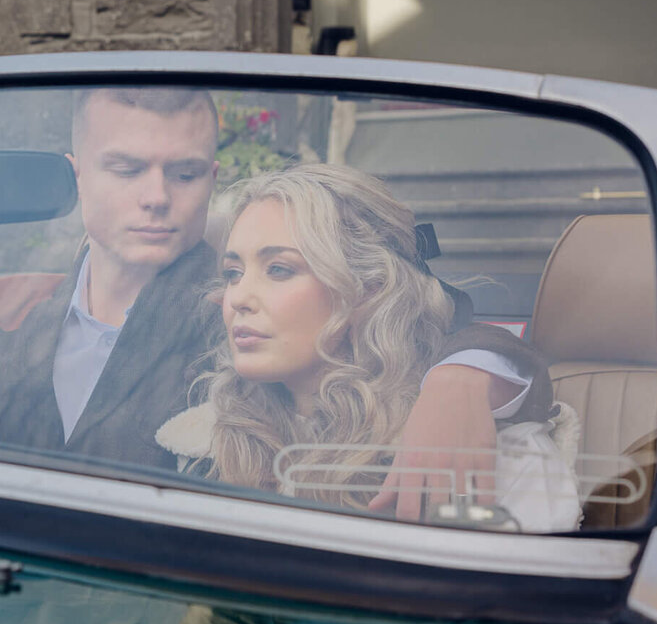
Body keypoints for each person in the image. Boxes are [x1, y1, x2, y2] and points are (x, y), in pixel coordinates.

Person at [0, 86, 549, 500]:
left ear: (208, 177)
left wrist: (460, 378)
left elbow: (447, 321)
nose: (157, 196)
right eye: (126, 168)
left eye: (184, 171)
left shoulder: (245, 313)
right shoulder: (0, 303)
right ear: (81, 176)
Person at [155, 162, 580, 530]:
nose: (237, 297)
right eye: (233, 272)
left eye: (279, 269)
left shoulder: (486, 454)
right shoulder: (200, 441)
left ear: (368, 292)